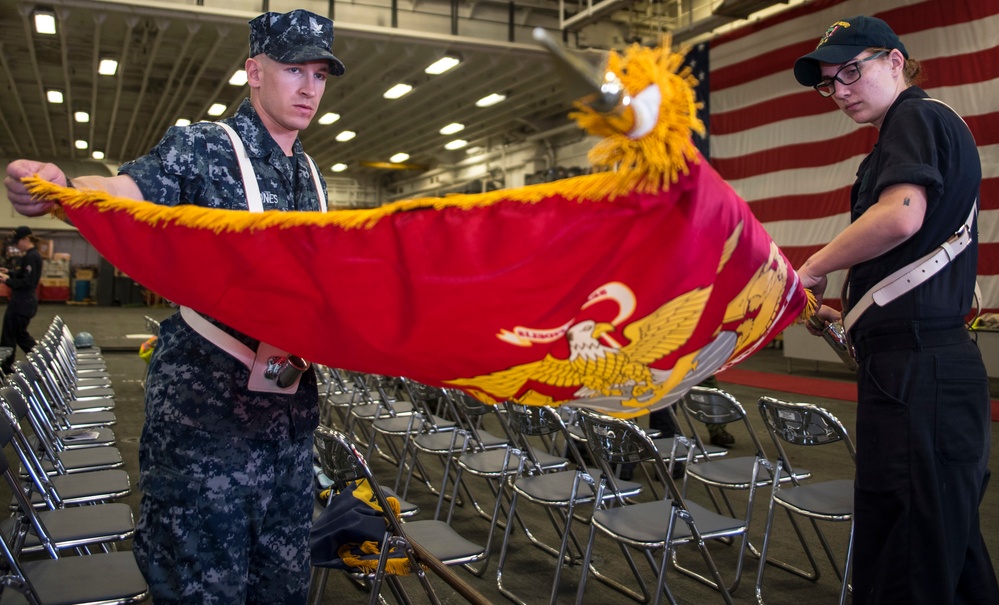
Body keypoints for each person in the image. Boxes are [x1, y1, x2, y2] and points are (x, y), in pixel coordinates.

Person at [5, 9, 344, 604]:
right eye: (293, 68)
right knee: (200, 587)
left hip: (288, 429)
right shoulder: (207, 146)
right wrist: (66, 191)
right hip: (206, 426)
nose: (309, 87)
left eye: (319, 73)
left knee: (284, 589)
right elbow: (130, 190)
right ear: (253, 72)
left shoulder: (310, 176)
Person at [793, 16, 998, 605]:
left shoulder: (914, 116)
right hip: (916, 361)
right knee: (945, 550)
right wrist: (853, 314)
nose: (841, 90)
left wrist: (815, 268)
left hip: (920, 366)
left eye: (852, 71)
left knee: (907, 554)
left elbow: (902, 215)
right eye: (830, 83)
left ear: (895, 61)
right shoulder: (913, 128)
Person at [0, 226, 42, 374]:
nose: (16, 245)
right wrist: (10, 272)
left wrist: (7, 281)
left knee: (9, 336)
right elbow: (23, 274)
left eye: (18, 241)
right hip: (24, 301)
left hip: (22, 302)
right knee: (19, 335)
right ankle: (43, 361)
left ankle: (5, 370)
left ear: (26, 239)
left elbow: (27, 282)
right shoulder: (30, 255)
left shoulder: (31, 256)